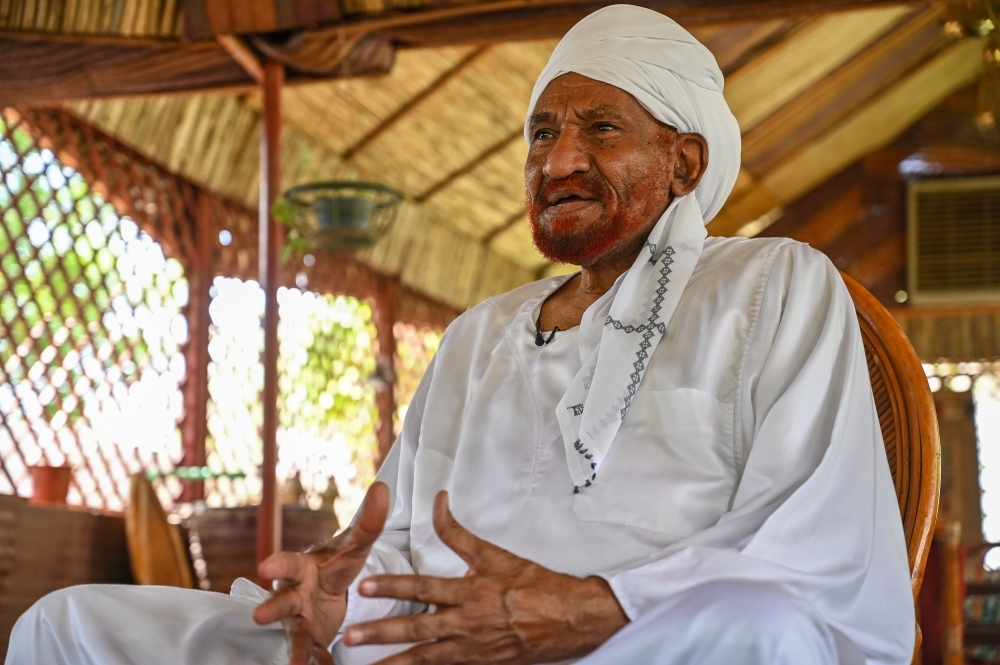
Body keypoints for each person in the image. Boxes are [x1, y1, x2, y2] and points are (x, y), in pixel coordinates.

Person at [7, 5, 913, 665]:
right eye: (543, 133)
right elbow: (392, 537)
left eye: (602, 127)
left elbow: (813, 546)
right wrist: (338, 584)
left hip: (632, 645)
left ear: (687, 160)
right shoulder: (482, 335)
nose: (559, 159)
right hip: (427, 650)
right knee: (70, 623)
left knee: (765, 633)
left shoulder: (774, 284)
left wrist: (581, 609)